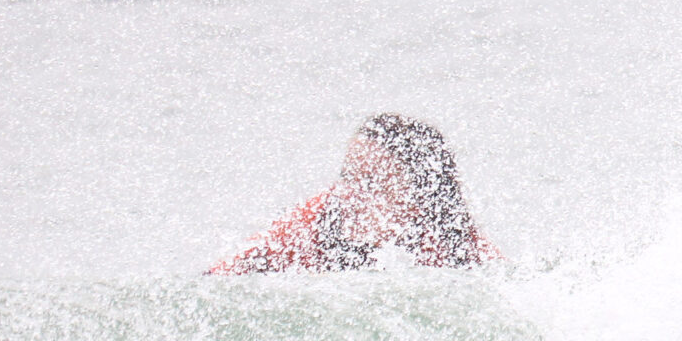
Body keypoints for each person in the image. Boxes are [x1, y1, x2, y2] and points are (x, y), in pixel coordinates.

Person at [210, 114, 499, 273]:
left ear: (420, 199)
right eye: (348, 178)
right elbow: (215, 281)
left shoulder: (457, 246)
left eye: (374, 184)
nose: (351, 194)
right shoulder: (314, 221)